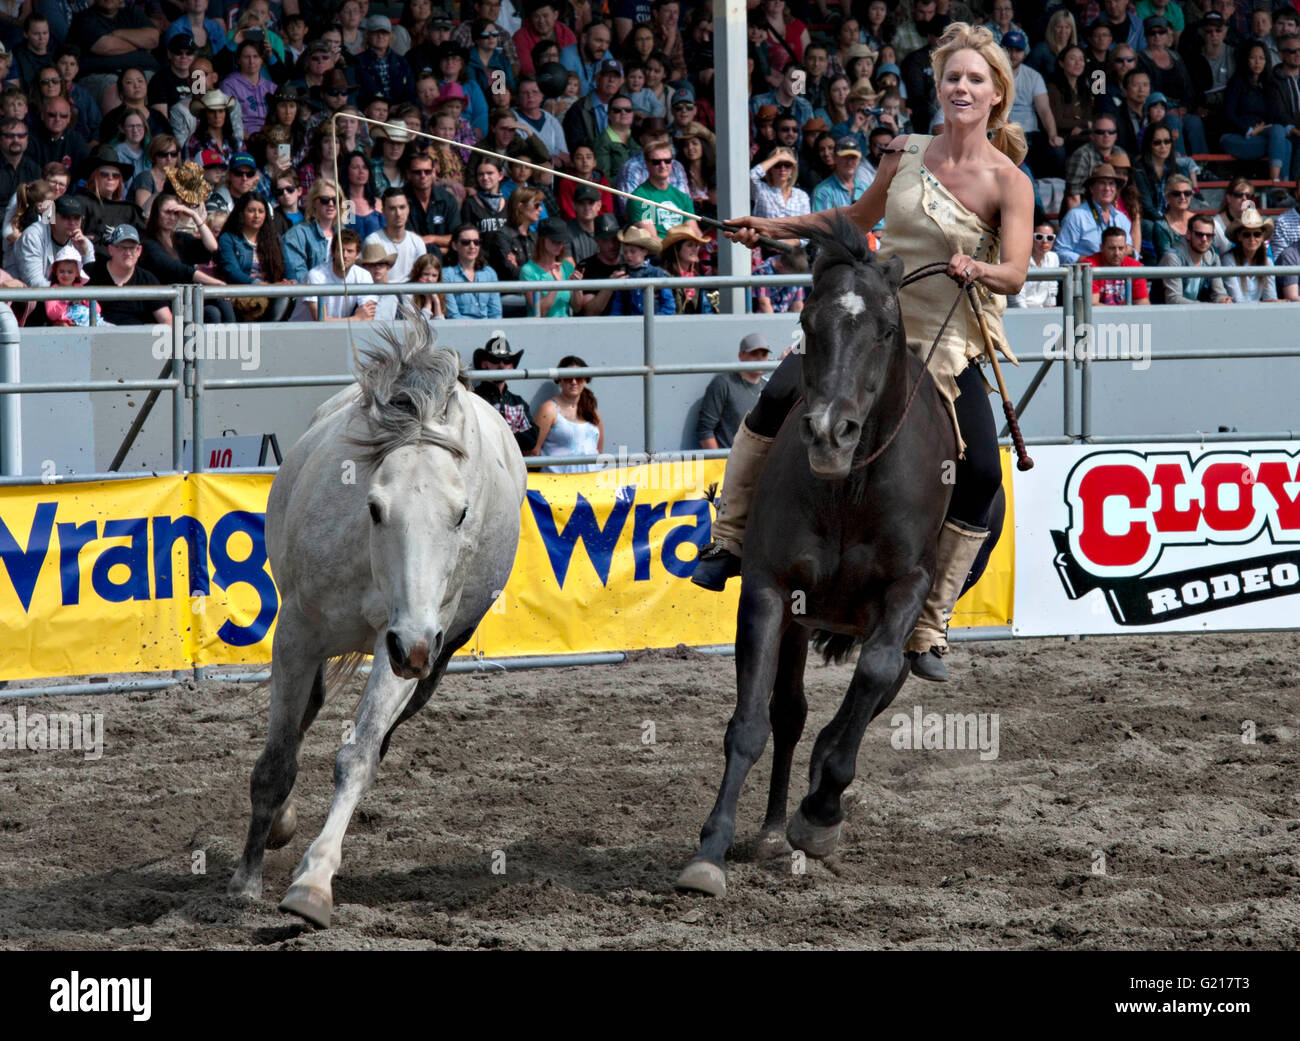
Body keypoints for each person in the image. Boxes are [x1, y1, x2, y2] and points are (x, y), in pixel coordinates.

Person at [702, 21, 1033, 684]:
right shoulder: (906, 153)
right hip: (874, 321)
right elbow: (854, 220)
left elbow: (1018, 272)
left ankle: (930, 619)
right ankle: (729, 536)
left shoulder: (1010, 182)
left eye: (975, 79)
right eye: (952, 77)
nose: (961, 88)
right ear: (938, 86)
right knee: (774, 395)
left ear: (997, 93)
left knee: (984, 478)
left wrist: (980, 269)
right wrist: (770, 228)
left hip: (950, 336)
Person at [141, 174, 234, 323]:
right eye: (167, 212)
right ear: (156, 213)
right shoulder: (148, 243)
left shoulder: (180, 238)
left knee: (215, 309)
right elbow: (178, 269)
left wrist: (193, 215)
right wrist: (215, 282)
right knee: (216, 303)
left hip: (188, 301)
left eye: (176, 213)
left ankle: (231, 342)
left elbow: (211, 248)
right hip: (164, 305)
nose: (172, 217)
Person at [217, 190, 294, 321]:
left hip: (270, 292)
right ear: (241, 213)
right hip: (241, 293)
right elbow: (232, 271)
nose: (256, 215)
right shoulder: (228, 238)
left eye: (261, 211)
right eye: (251, 210)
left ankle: (270, 333)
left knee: (287, 295)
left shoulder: (275, 239)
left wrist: (291, 281)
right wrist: (259, 284)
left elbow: (289, 267)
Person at [85, 224, 174, 326]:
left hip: (137, 339)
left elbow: (166, 320)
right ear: (111, 249)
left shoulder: (147, 280)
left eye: (132, 248)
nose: (128, 253)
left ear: (139, 251)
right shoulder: (90, 272)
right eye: (122, 247)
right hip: (96, 338)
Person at [697, 333, 772, 450]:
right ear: (741, 355)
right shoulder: (723, 384)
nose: (760, 359)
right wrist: (719, 464)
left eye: (764, 354)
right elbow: (705, 430)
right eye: (754, 354)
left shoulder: (768, 387)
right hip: (729, 462)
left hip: (759, 462)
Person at [531, 354, 604, 473]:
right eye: (568, 377)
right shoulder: (549, 409)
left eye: (579, 378)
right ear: (560, 380)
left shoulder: (593, 411)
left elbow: (599, 451)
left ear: (585, 380)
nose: (574, 382)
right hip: (558, 482)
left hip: (591, 482)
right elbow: (535, 451)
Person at [472, 331, 539, 453]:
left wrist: (500, 435)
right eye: (494, 359)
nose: (501, 365)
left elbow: (531, 441)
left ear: (512, 366)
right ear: (484, 364)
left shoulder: (518, 402)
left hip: (511, 468)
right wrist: (513, 435)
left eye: (507, 360)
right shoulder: (472, 399)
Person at [290, 227, 378, 321]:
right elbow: (321, 320)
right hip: (302, 332)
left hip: (338, 332)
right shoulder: (316, 276)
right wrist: (357, 318)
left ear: (357, 255)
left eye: (350, 251)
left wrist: (360, 318)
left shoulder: (363, 275)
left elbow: (368, 316)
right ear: (332, 252)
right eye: (340, 250)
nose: (344, 255)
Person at [1056, 163, 1134, 262]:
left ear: (1116, 189)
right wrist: (1092, 262)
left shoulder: (1122, 218)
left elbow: (1131, 251)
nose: (1107, 188)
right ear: (1091, 189)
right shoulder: (1076, 216)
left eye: (1111, 183)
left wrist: (1131, 251)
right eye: (1102, 183)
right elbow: (1060, 252)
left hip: (1117, 276)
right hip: (1086, 275)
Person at [16, 191, 93, 287]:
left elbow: (91, 284)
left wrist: (85, 254)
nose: (72, 222)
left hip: (68, 298)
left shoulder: (84, 243)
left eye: (76, 218)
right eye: (66, 217)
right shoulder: (33, 236)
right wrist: (71, 292)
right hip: (22, 297)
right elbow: (34, 283)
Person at [1160, 211, 1230, 303]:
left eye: (1209, 235)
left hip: (1196, 312)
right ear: (1188, 234)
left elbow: (1219, 293)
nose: (1204, 239)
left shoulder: (1213, 258)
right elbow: (1173, 299)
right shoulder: (1173, 257)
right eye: (1199, 234)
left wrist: (1223, 300)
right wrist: (1206, 307)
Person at [364, 187, 427, 285]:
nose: (398, 213)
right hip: (383, 295)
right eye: (392, 208)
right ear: (383, 211)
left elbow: (423, 277)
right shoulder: (372, 241)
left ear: (408, 209)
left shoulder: (417, 242)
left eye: (402, 207)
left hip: (412, 296)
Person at [521, 215, 581, 317]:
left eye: (562, 241)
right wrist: (556, 285)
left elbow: (577, 308)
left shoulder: (567, 266)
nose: (560, 245)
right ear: (542, 240)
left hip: (566, 329)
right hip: (540, 330)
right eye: (555, 241)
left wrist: (578, 288)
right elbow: (540, 312)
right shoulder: (528, 270)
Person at [283, 178, 340, 283]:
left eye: (336, 200)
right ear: (314, 203)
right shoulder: (297, 235)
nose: (331, 204)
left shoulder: (344, 234)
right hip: (311, 296)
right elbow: (299, 278)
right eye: (325, 200)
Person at [442, 222, 502, 319]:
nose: (472, 246)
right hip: (460, 331)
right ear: (454, 245)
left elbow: (495, 313)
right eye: (465, 242)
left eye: (476, 242)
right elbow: (453, 315)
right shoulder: (446, 275)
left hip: (488, 330)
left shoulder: (489, 273)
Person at [1220, 205, 1277, 302]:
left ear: (1262, 237)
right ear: (1239, 236)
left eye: (1257, 234)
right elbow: (1237, 299)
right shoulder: (1229, 260)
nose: (1252, 239)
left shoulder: (1267, 262)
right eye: (1246, 234)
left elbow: (1270, 297)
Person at [44, 243, 106, 327]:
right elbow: (51, 314)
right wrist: (65, 301)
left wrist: (86, 299)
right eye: (62, 271)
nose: (65, 275)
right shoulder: (52, 291)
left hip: (88, 323)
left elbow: (97, 310)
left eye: (70, 272)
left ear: (77, 273)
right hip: (68, 324)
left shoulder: (80, 289)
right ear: (55, 272)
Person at [1085, 225, 1150, 305]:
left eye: (1121, 248)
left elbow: (1143, 304)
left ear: (1126, 248)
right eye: (1112, 248)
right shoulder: (1090, 266)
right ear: (1102, 248)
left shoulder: (1135, 266)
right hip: (1100, 317)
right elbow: (1092, 305)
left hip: (1127, 316)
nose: (1117, 253)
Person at [660, 221, 714, 314]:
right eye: (689, 245)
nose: (695, 249)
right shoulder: (662, 276)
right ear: (676, 249)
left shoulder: (699, 279)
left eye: (696, 245)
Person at [1008, 222, 1060, 307]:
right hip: (1019, 313)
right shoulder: (1018, 259)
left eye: (1050, 238)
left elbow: (1052, 291)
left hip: (1043, 312)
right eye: (1039, 237)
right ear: (1030, 238)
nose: (1045, 241)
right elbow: (1017, 299)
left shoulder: (1053, 258)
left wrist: (1050, 314)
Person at [751, 246, 809, 313]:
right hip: (764, 318)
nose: (793, 280)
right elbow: (764, 304)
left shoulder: (795, 270)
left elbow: (798, 305)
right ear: (780, 266)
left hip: (783, 317)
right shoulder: (762, 272)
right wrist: (775, 322)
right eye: (790, 277)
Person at [358, 240, 400, 320]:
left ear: (388, 267)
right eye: (372, 264)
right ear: (364, 268)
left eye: (381, 264)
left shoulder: (393, 296)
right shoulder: (357, 293)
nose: (377, 267)